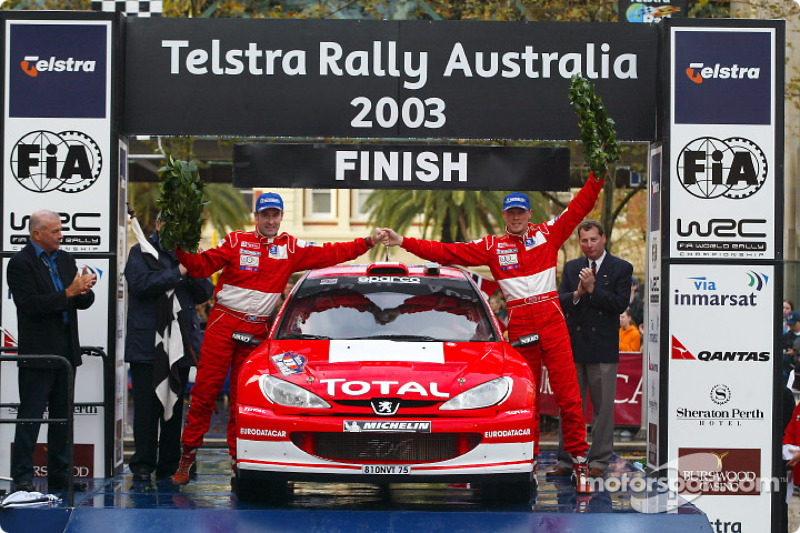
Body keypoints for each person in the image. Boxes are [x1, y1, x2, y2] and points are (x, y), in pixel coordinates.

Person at [381, 173, 608, 493]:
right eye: (510, 213)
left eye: (521, 212)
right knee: (524, 401)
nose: (515, 217)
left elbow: (581, 204)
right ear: (504, 216)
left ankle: (580, 461)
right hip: (521, 326)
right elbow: (445, 252)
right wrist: (403, 241)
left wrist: (599, 171)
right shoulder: (492, 247)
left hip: (552, 321)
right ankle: (525, 460)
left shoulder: (549, 233)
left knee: (568, 396)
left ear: (530, 214)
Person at [171, 192, 385, 485]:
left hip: (257, 330)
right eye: (265, 215)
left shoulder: (291, 248)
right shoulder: (235, 241)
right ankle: (187, 458)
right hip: (223, 324)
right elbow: (199, 267)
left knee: (241, 401)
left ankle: (238, 463)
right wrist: (179, 244)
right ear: (256, 217)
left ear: (281, 217)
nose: (270, 221)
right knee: (204, 394)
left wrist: (367, 242)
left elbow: (331, 253)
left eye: (275, 215)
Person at [7, 210, 96, 493]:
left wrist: (85, 291)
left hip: (66, 351)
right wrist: (69, 293)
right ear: (37, 234)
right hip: (38, 352)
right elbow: (29, 304)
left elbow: (80, 301)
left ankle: (60, 475)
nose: (61, 235)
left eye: (61, 230)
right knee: (31, 416)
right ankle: (22, 476)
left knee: (63, 418)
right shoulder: (20, 263)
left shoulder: (65, 258)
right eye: (55, 231)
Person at [124, 214, 214, 482]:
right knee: (146, 408)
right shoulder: (140, 251)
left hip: (180, 343)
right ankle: (142, 464)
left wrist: (195, 265)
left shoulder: (186, 253)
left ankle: (170, 464)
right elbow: (140, 285)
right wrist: (178, 273)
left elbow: (204, 292)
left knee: (173, 407)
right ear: (160, 225)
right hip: (146, 345)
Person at [556, 220, 632, 479]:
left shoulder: (621, 267)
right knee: (569, 406)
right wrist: (577, 293)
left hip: (603, 348)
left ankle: (599, 460)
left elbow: (620, 303)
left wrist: (593, 289)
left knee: (602, 410)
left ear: (604, 238)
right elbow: (561, 300)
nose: (588, 245)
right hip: (574, 347)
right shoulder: (572, 267)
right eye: (584, 240)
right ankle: (566, 461)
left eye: (593, 239)